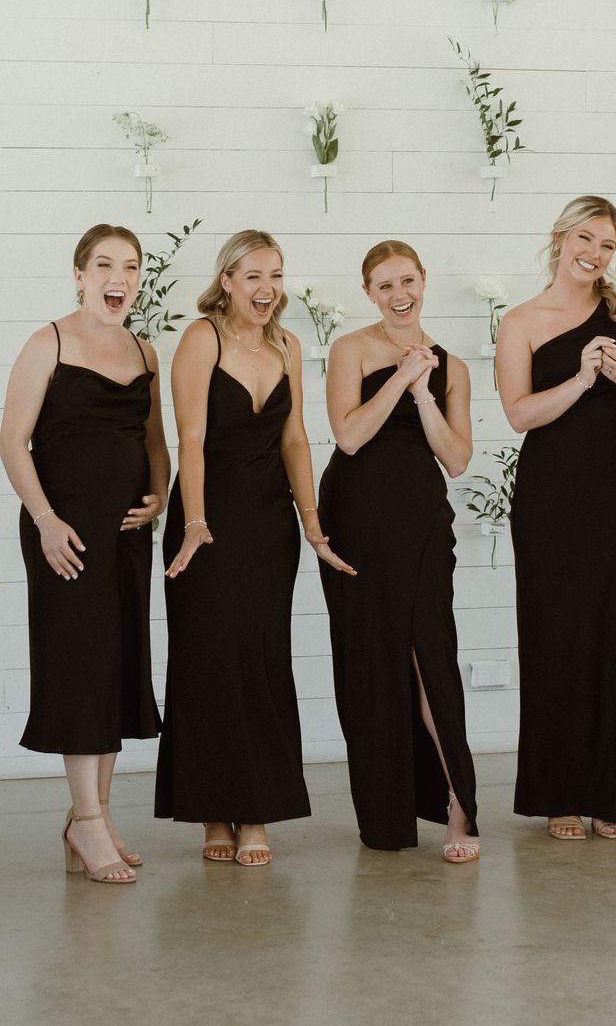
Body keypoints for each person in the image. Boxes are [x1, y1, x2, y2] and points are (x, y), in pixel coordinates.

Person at [157, 230, 353, 866]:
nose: (267, 289)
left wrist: (313, 524)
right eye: (252, 277)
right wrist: (193, 521)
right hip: (207, 523)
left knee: (264, 661)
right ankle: (214, 812)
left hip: (270, 526)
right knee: (209, 661)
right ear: (227, 283)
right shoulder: (201, 338)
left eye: (275, 275)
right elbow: (189, 437)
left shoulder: (289, 345)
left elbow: (295, 440)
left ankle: (258, 809)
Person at [1, 225, 169, 885]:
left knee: (118, 666)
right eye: (104, 265)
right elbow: (13, 443)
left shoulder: (145, 351)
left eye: (129, 267)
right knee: (79, 666)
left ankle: (91, 817)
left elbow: (156, 440)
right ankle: (87, 818)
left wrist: (159, 496)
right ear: (79, 274)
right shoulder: (48, 343)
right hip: (63, 531)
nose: (117, 278)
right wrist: (45, 521)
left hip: (127, 534)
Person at [496, 196, 616, 843]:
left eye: (607, 245)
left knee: (614, 636)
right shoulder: (522, 322)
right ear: (561, 238)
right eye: (586, 238)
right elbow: (517, 414)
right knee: (553, 637)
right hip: (548, 497)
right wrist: (582, 381)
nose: (595, 254)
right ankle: (558, 793)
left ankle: (607, 796)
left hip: (615, 494)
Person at [319, 240, 479, 862]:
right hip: (356, 517)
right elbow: (350, 436)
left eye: (406, 281)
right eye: (384, 286)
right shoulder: (351, 349)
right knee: (369, 661)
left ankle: (459, 807)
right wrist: (401, 380)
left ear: (423, 280)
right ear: (368, 293)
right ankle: (385, 819)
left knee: (428, 654)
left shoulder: (453, 365)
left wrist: (423, 391)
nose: (398, 294)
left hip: (419, 521)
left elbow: (458, 459)